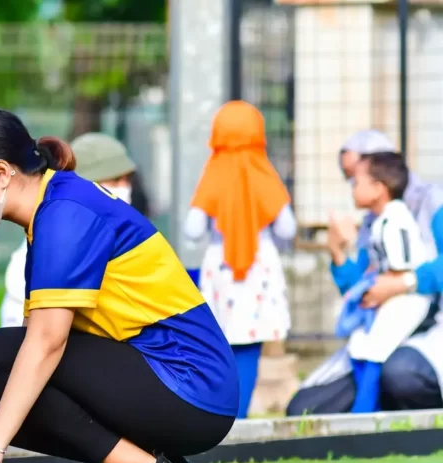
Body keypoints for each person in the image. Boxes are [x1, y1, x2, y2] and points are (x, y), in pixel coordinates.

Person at [0, 107, 238, 463]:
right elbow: (29, 346)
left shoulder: (66, 212)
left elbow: (45, 344)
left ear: (1, 172)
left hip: (192, 387)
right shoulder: (50, 210)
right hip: (169, 383)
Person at [287, 131, 443, 414]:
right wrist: (337, 252)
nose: (351, 187)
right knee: (304, 409)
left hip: (430, 328)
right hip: (381, 326)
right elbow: (360, 290)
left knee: (400, 374)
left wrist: (405, 283)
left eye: (355, 177)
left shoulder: (432, 202)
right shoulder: (373, 222)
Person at [183, 101, 295, 420]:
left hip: (221, 269)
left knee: (220, 341)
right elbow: (287, 227)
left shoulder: (213, 172)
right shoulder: (263, 171)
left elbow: (193, 229)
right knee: (250, 343)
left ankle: (215, 411)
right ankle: (240, 415)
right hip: (259, 267)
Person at [0, 133, 147, 328]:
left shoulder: (125, 237)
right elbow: (32, 333)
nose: (124, 188)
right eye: (114, 180)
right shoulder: (52, 243)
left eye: (127, 180)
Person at [338, 154, 432, 412]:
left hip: (406, 299)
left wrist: (373, 289)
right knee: (359, 345)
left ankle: (364, 412)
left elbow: (400, 268)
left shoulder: (395, 220)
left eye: (358, 182)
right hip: (391, 295)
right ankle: (366, 408)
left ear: (379, 188)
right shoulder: (378, 221)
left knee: (376, 349)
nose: (353, 189)